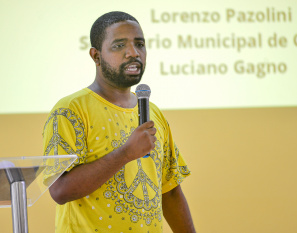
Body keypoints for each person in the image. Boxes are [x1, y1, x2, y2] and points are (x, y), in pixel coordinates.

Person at [43, 11, 195, 233]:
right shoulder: (69, 110)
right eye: (119, 45)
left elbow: (169, 191)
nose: (133, 53)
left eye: (140, 44)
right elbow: (60, 190)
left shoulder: (153, 113)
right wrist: (126, 153)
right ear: (96, 56)